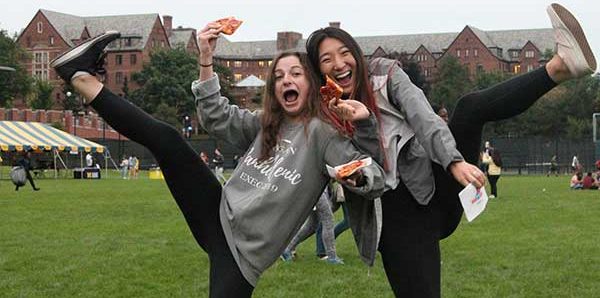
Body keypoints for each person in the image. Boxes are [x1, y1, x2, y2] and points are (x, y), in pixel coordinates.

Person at [49, 24, 385, 296]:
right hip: (217, 213)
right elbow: (215, 115)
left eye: (296, 74)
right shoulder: (264, 123)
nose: (287, 80)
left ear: (311, 85)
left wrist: (359, 174)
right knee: (167, 139)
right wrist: (206, 58)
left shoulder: (324, 135)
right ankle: (81, 78)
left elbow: (371, 177)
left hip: (243, 254)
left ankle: (80, 76)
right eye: (279, 76)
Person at [305, 3, 595, 296]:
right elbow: (369, 174)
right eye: (326, 59)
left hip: (434, 187)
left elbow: (423, 116)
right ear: (318, 71)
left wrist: (453, 161)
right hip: (395, 217)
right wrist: (363, 122)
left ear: (356, 54)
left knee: (469, 108)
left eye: (344, 53)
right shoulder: (323, 119)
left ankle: (561, 66)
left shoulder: (383, 74)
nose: (339, 64)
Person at [281, 186, 344, 264]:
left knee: (312, 224)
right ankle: (332, 257)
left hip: (312, 190)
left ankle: (287, 249)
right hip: (317, 190)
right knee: (328, 220)